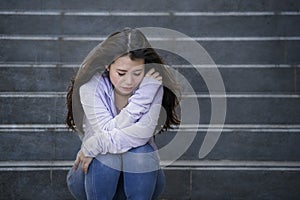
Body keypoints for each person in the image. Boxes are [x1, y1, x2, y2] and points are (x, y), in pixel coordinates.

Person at [65, 28, 180, 200]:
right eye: (121, 73)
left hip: (141, 181)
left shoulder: (151, 85)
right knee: (107, 158)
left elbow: (142, 135)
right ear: (107, 65)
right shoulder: (90, 87)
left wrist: (94, 144)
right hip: (92, 178)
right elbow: (106, 129)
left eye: (137, 73)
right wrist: (141, 101)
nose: (129, 81)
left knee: (140, 152)